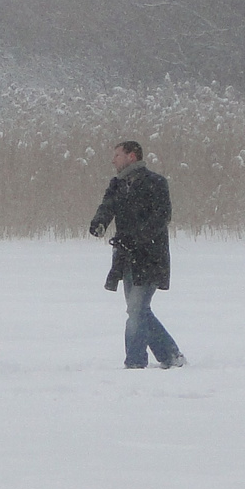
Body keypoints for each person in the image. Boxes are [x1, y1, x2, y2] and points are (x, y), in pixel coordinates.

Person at [88, 140, 186, 369]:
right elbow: (107, 207)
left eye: (117, 155)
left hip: (151, 257)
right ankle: (171, 355)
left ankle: (134, 362)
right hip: (126, 258)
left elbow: (162, 217)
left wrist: (138, 238)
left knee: (136, 309)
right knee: (139, 310)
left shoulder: (156, 183)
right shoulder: (117, 184)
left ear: (132, 156)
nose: (113, 160)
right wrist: (99, 223)